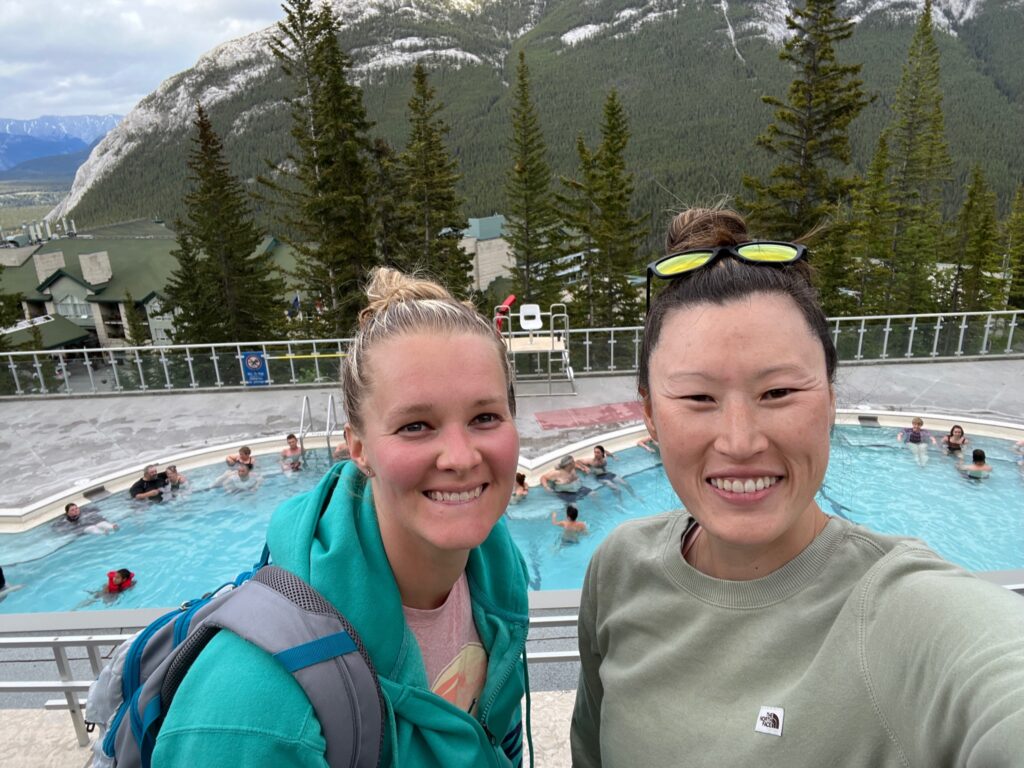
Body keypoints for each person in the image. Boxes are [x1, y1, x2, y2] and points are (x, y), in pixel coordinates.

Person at [570, 207, 1024, 767]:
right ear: (650, 416)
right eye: (697, 398)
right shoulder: (618, 570)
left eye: (779, 392)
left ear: (831, 399)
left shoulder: (904, 612)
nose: (739, 442)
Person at [153, 267, 530, 768]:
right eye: (416, 426)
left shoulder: (496, 579)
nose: (460, 458)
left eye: (485, 417)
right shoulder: (252, 707)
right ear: (359, 447)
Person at [52, 502, 118, 535]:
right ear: (67, 513)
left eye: (76, 508)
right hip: (82, 527)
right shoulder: (65, 520)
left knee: (100, 523)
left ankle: (112, 527)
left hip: (89, 521)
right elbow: (57, 527)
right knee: (91, 528)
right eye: (72, 510)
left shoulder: (84, 511)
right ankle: (103, 532)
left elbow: (96, 509)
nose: (75, 510)